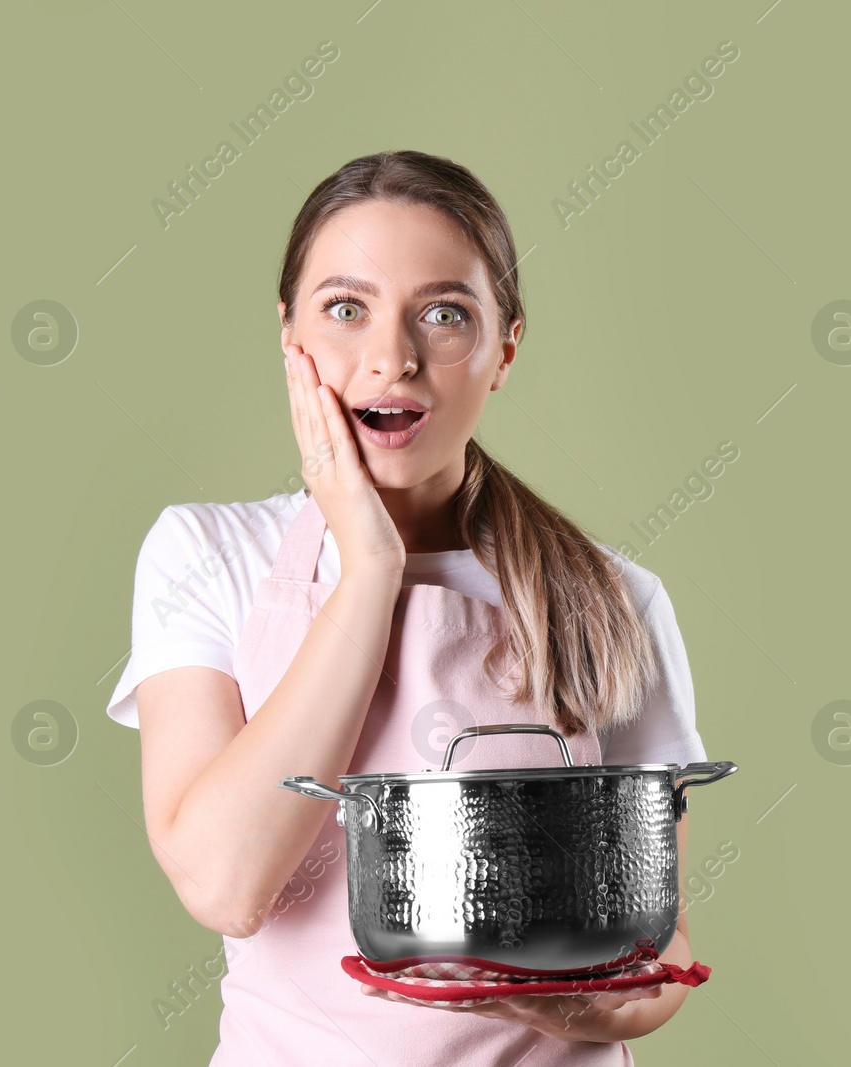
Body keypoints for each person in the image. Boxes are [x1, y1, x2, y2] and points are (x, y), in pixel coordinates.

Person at [104, 150, 710, 1065]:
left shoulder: (613, 598)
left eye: (444, 314)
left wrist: (572, 1006)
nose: (393, 357)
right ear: (289, 338)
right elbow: (227, 884)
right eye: (345, 309)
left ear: (505, 347)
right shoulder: (206, 555)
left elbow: (659, 951)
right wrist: (368, 566)